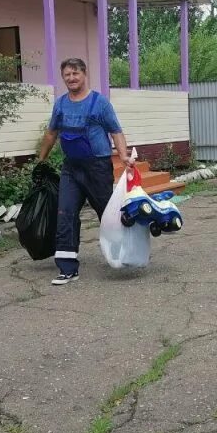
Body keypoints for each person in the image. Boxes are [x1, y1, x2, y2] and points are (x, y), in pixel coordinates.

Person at [37, 58, 133, 286]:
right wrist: (40, 160)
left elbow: (116, 131)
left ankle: (126, 253)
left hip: (97, 167)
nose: (71, 78)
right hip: (71, 167)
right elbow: (51, 134)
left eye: (74, 74)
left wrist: (123, 156)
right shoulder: (60, 104)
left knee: (109, 215)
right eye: (67, 75)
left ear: (84, 74)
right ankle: (67, 268)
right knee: (65, 214)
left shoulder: (100, 103)